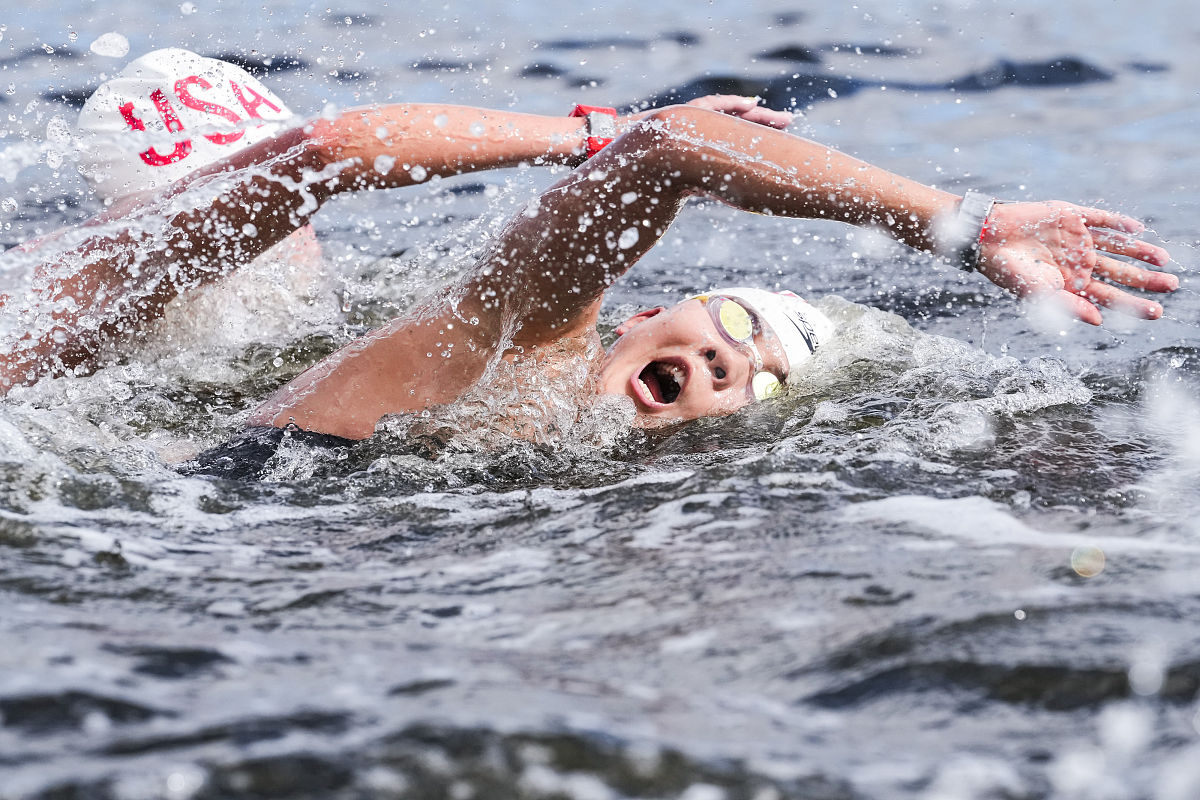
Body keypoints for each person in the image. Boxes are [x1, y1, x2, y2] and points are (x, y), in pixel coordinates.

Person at [0, 49, 1178, 454]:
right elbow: (334, 145)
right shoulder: (88, 284)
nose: (285, 239)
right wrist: (965, 223)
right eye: (260, 212)